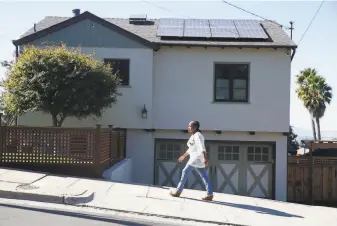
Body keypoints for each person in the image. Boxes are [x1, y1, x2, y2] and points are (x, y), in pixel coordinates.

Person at [169, 120, 214, 201]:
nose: (188, 127)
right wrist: (183, 156)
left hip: (196, 158)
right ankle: (210, 194)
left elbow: (201, 146)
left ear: (195, 127)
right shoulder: (194, 135)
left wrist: (205, 158)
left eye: (190, 126)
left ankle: (178, 191)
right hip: (197, 158)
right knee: (204, 176)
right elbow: (191, 149)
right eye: (188, 126)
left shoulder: (197, 135)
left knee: (185, 171)